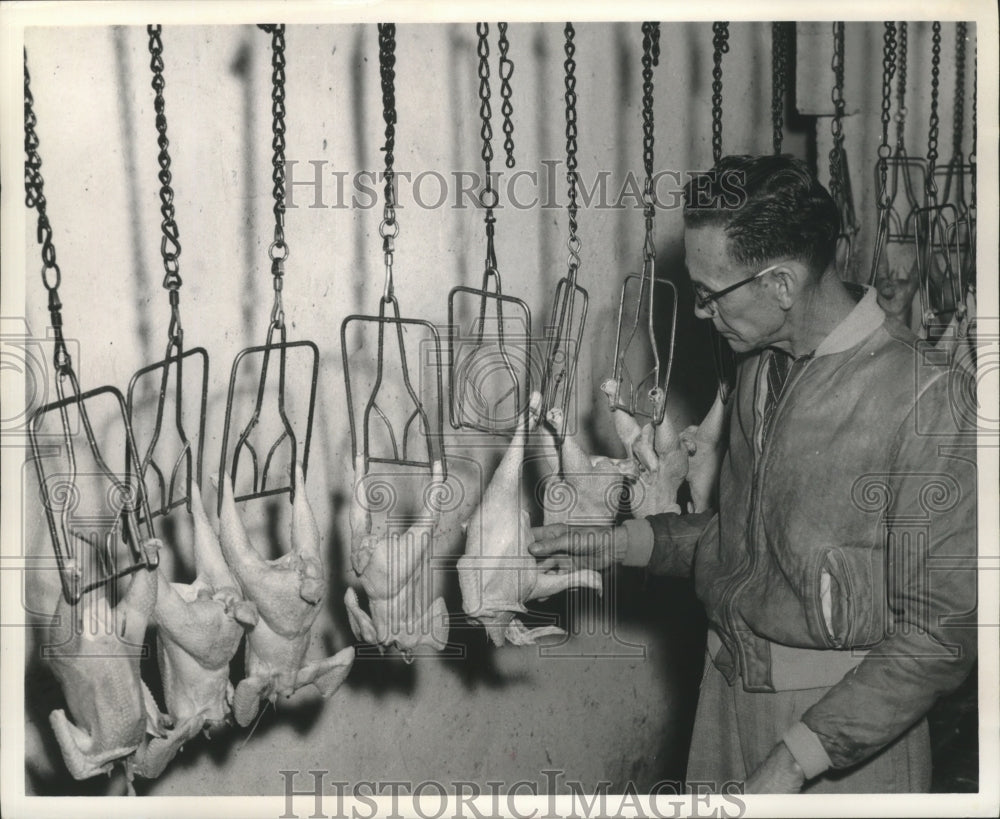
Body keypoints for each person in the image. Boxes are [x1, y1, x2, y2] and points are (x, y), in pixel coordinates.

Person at [531, 154, 978, 794]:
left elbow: (940, 634)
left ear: (781, 286)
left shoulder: (927, 398)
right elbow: (746, 541)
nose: (701, 312)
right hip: (726, 699)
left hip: (844, 736)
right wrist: (629, 543)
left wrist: (798, 757)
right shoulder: (758, 371)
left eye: (711, 293)